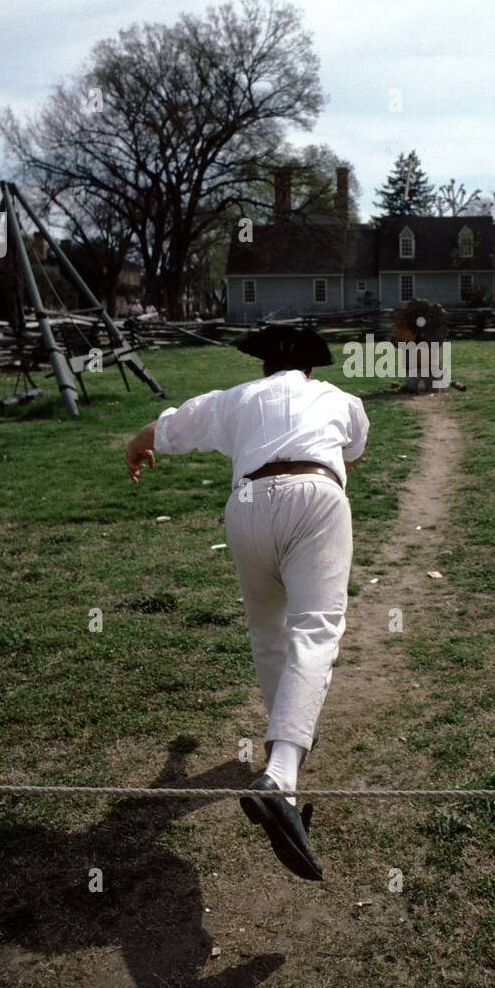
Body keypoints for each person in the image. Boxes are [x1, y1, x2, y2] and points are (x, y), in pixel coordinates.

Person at [124, 324, 369, 882]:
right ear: (313, 369)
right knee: (316, 628)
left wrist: (137, 444)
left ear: (262, 367)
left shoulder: (236, 399)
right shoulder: (339, 399)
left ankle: (286, 732)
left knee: (268, 632)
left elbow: (170, 426)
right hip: (316, 496)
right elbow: (354, 451)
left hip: (247, 504)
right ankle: (281, 772)